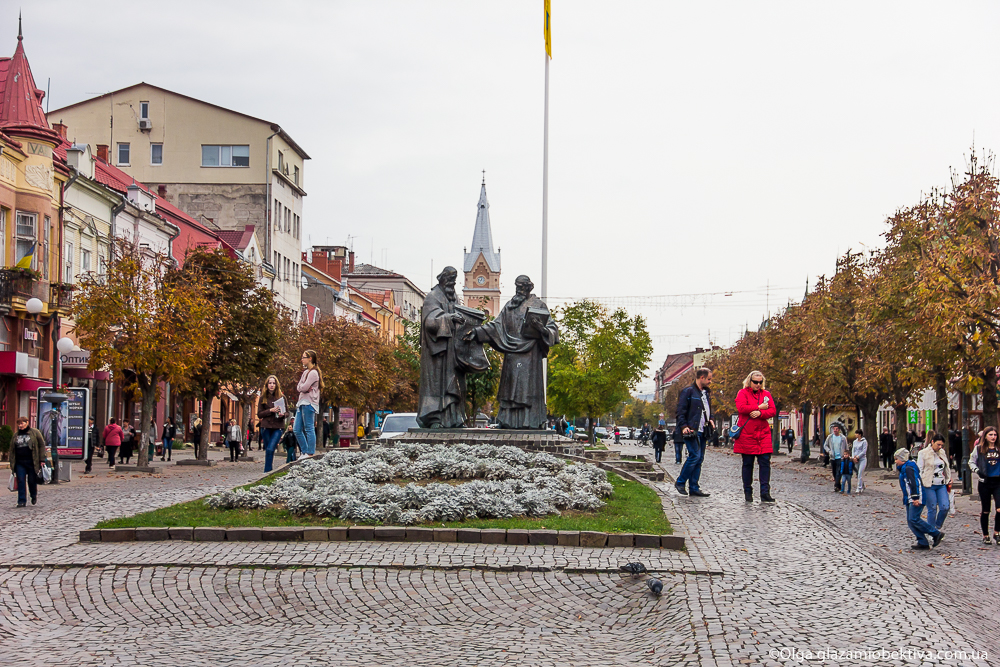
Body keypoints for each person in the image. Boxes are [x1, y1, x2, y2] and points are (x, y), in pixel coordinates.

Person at [733, 370, 777, 503]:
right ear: (750, 381)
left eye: (760, 382)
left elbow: (772, 410)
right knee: (748, 463)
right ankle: (748, 491)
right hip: (747, 434)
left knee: (765, 463)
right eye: (755, 382)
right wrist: (758, 407)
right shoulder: (742, 393)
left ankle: (765, 492)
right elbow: (741, 408)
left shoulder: (766, 394)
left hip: (763, 434)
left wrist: (760, 413)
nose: (758, 384)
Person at [674, 367, 715, 497]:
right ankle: (680, 482)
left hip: (703, 429)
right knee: (694, 456)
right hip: (692, 429)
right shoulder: (688, 391)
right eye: (709, 379)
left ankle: (694, 487)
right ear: (701, 377)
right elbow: (680, 411)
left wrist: (711, 419)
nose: (710, 382)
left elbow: (709, 410)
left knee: (699, 459)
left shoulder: (706, 393)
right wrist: (683, 426)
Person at [895, 447, 944, 550]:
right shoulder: (905, 468)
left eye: (896, 459)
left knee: (914, 519)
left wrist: (915, 497)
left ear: (902, 459)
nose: (895, 461)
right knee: (911, 521)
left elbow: (914, 483)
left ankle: (935, 533)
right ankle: (922, 541)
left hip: (915, 496)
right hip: (910, 497)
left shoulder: (908, 468)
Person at [969, 426, 1000, 545]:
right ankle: (985, 535)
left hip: (998, 481)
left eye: (995, 435)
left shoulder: (998, 448)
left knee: (999, 508)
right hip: (985, 482)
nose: (993, 437)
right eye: (990, 435)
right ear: (985, 436)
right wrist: (977, 471)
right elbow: (971, 462)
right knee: (986, 510)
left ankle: (997, 532)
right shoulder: (979, 449)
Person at [10, 416, 49, 507]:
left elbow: (41, 445)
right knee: (21, 481)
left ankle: (33, 495)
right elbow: (12, 449)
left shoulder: (35, 432)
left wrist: (42, 459)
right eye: (19, 424)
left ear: (27, 422)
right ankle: (21, 501)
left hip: (32, 462)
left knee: (31, 481)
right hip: (20, 462)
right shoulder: (16, 435)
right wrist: (12, 462)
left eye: (22, 423)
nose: (20, 425)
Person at [917, 433, 951, 532]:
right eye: (938, 444)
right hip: (929, 484)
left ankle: (937, 525)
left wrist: (948, 478)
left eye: (942, 445)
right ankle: (932, 531)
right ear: (932, 442)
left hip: (941, 483)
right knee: (932, 508)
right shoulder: (923, 453)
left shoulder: (942, 452)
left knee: (945, 507)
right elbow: (920, 469)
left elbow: (946, 467)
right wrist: (920, 483)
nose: (940, 447)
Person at [294, 349, 323, 457]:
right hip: (301, 402)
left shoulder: (314, 373)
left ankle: (310, 453)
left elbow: (304, 387)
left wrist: (303, 387)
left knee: (308, 428)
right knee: (296, 429)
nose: (302, 359)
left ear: (310, 358)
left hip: (309, 403)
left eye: (304, 357)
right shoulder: (305, 372)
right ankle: (304, 451)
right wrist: (303, 388)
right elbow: (299, 387)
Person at [258, 374, 286, 473]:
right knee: (268, 450)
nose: (272, 385)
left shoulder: (282, 397)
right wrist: (270, 410)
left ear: (276, 385)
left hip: (278, 427)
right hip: (266, 427)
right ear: (267, 385)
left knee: (270, 449)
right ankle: (268, 472)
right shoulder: (263, 398)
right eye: (270, 383)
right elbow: (259, 414)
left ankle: (267, 472)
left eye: (274, 383)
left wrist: (283, 414)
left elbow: (287, 412)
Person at [823, 424, 847, 491]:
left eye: (836, 429)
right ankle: (838, 485)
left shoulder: (843, 438)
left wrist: (845, 455)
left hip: (840, 457)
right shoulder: (830, 437)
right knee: (834, 472)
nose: (835, 430)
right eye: (834, 429)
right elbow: (825, 445)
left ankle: (836, 485)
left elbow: (846, 447)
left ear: (839, 430)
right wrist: (829, 451)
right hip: (833, 457)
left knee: (838, 471)